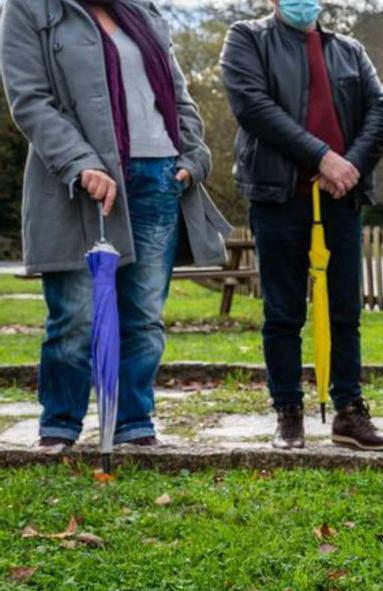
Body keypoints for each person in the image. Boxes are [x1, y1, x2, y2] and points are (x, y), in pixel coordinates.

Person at [1, 0, 231, 449]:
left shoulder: (141, 10)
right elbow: (30, 99)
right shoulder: (30, 9)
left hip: (160, 176)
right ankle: (61, 425)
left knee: (144, 316)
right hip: (82, 183)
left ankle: (133, 424)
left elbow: (177, 94)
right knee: (75, 317)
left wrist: (192, 157)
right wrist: (79, 162)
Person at [220, 0, 383, 450]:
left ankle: (349, 411)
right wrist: (321, 157)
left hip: (342, 196)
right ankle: (288, 412)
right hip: (279, 197)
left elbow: (380, 111)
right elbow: (253, 106)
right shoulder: (247, 39)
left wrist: (348, 166)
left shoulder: (349, 49)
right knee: (283, 312)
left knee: (345, 311)